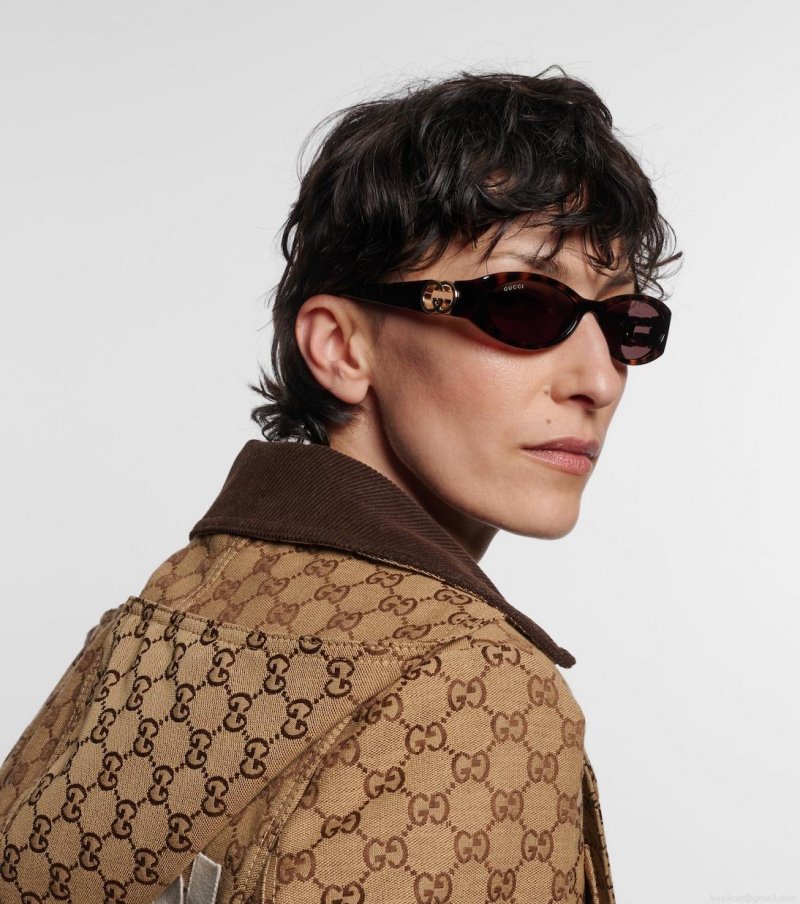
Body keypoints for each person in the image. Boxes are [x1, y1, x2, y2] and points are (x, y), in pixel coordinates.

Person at [0, 66, 681, 904]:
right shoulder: (475, 690)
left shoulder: (173, 604)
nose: (599, 381)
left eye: (625, 323)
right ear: (340, 347)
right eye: (525, 305)